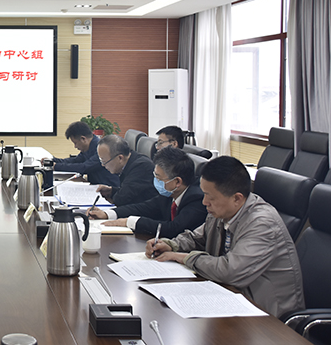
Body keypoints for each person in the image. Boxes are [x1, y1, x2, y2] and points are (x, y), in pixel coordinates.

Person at [146, 156, 304, 318]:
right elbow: (197, 237)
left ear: (237, 198)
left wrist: (183, 257)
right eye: (204, 194)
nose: (204, 202)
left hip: (267, 315)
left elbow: (230, 271)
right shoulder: (222, 211)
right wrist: (171, 245)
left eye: (210, 197)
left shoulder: (262, 223)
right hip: (231, 298)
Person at [88, 147, 207, 238]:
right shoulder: (171, 192)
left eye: (159, 177)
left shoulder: (197, 198)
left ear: (177, 182)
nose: (155, 180)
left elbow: (174, 229)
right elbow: (144, 208)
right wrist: (108, 214)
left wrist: (130, 222)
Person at [51, 121, 118, 187]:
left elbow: (84, 167)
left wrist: (56, 166)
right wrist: (52, 160)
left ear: (83, 139)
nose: (75, 146)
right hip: (96, 186)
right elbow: (75, 160)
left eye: (75, 143)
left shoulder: (101, 149)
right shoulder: (89, 147)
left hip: (108, 189)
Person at [96, 135, 157, 206]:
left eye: (104, 162)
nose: (103, 165)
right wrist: (111, 191)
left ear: (120, 158)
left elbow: (121, 199)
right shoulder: (131, 160)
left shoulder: (141, 166)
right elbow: (128, 191)